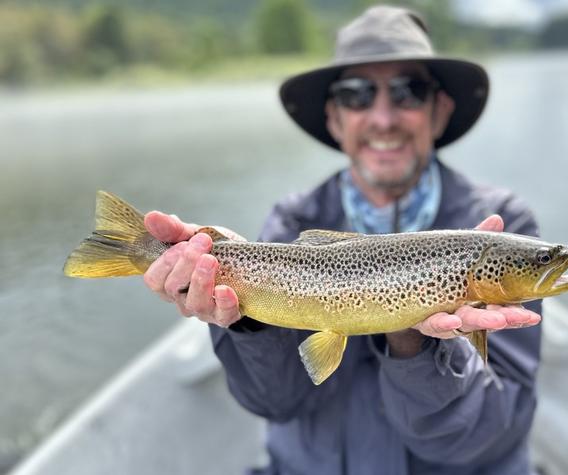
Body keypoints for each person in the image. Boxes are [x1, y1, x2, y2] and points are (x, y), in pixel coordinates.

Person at [142, 5, 543, 475]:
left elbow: (490, 435)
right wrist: (245, 320)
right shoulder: (292, 222)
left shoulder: (496, 228)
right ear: (334, 119)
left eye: (408, 91)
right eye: (357, 95)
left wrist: (414, 338)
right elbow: (277, 402)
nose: (383, 116)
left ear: (440, 111)